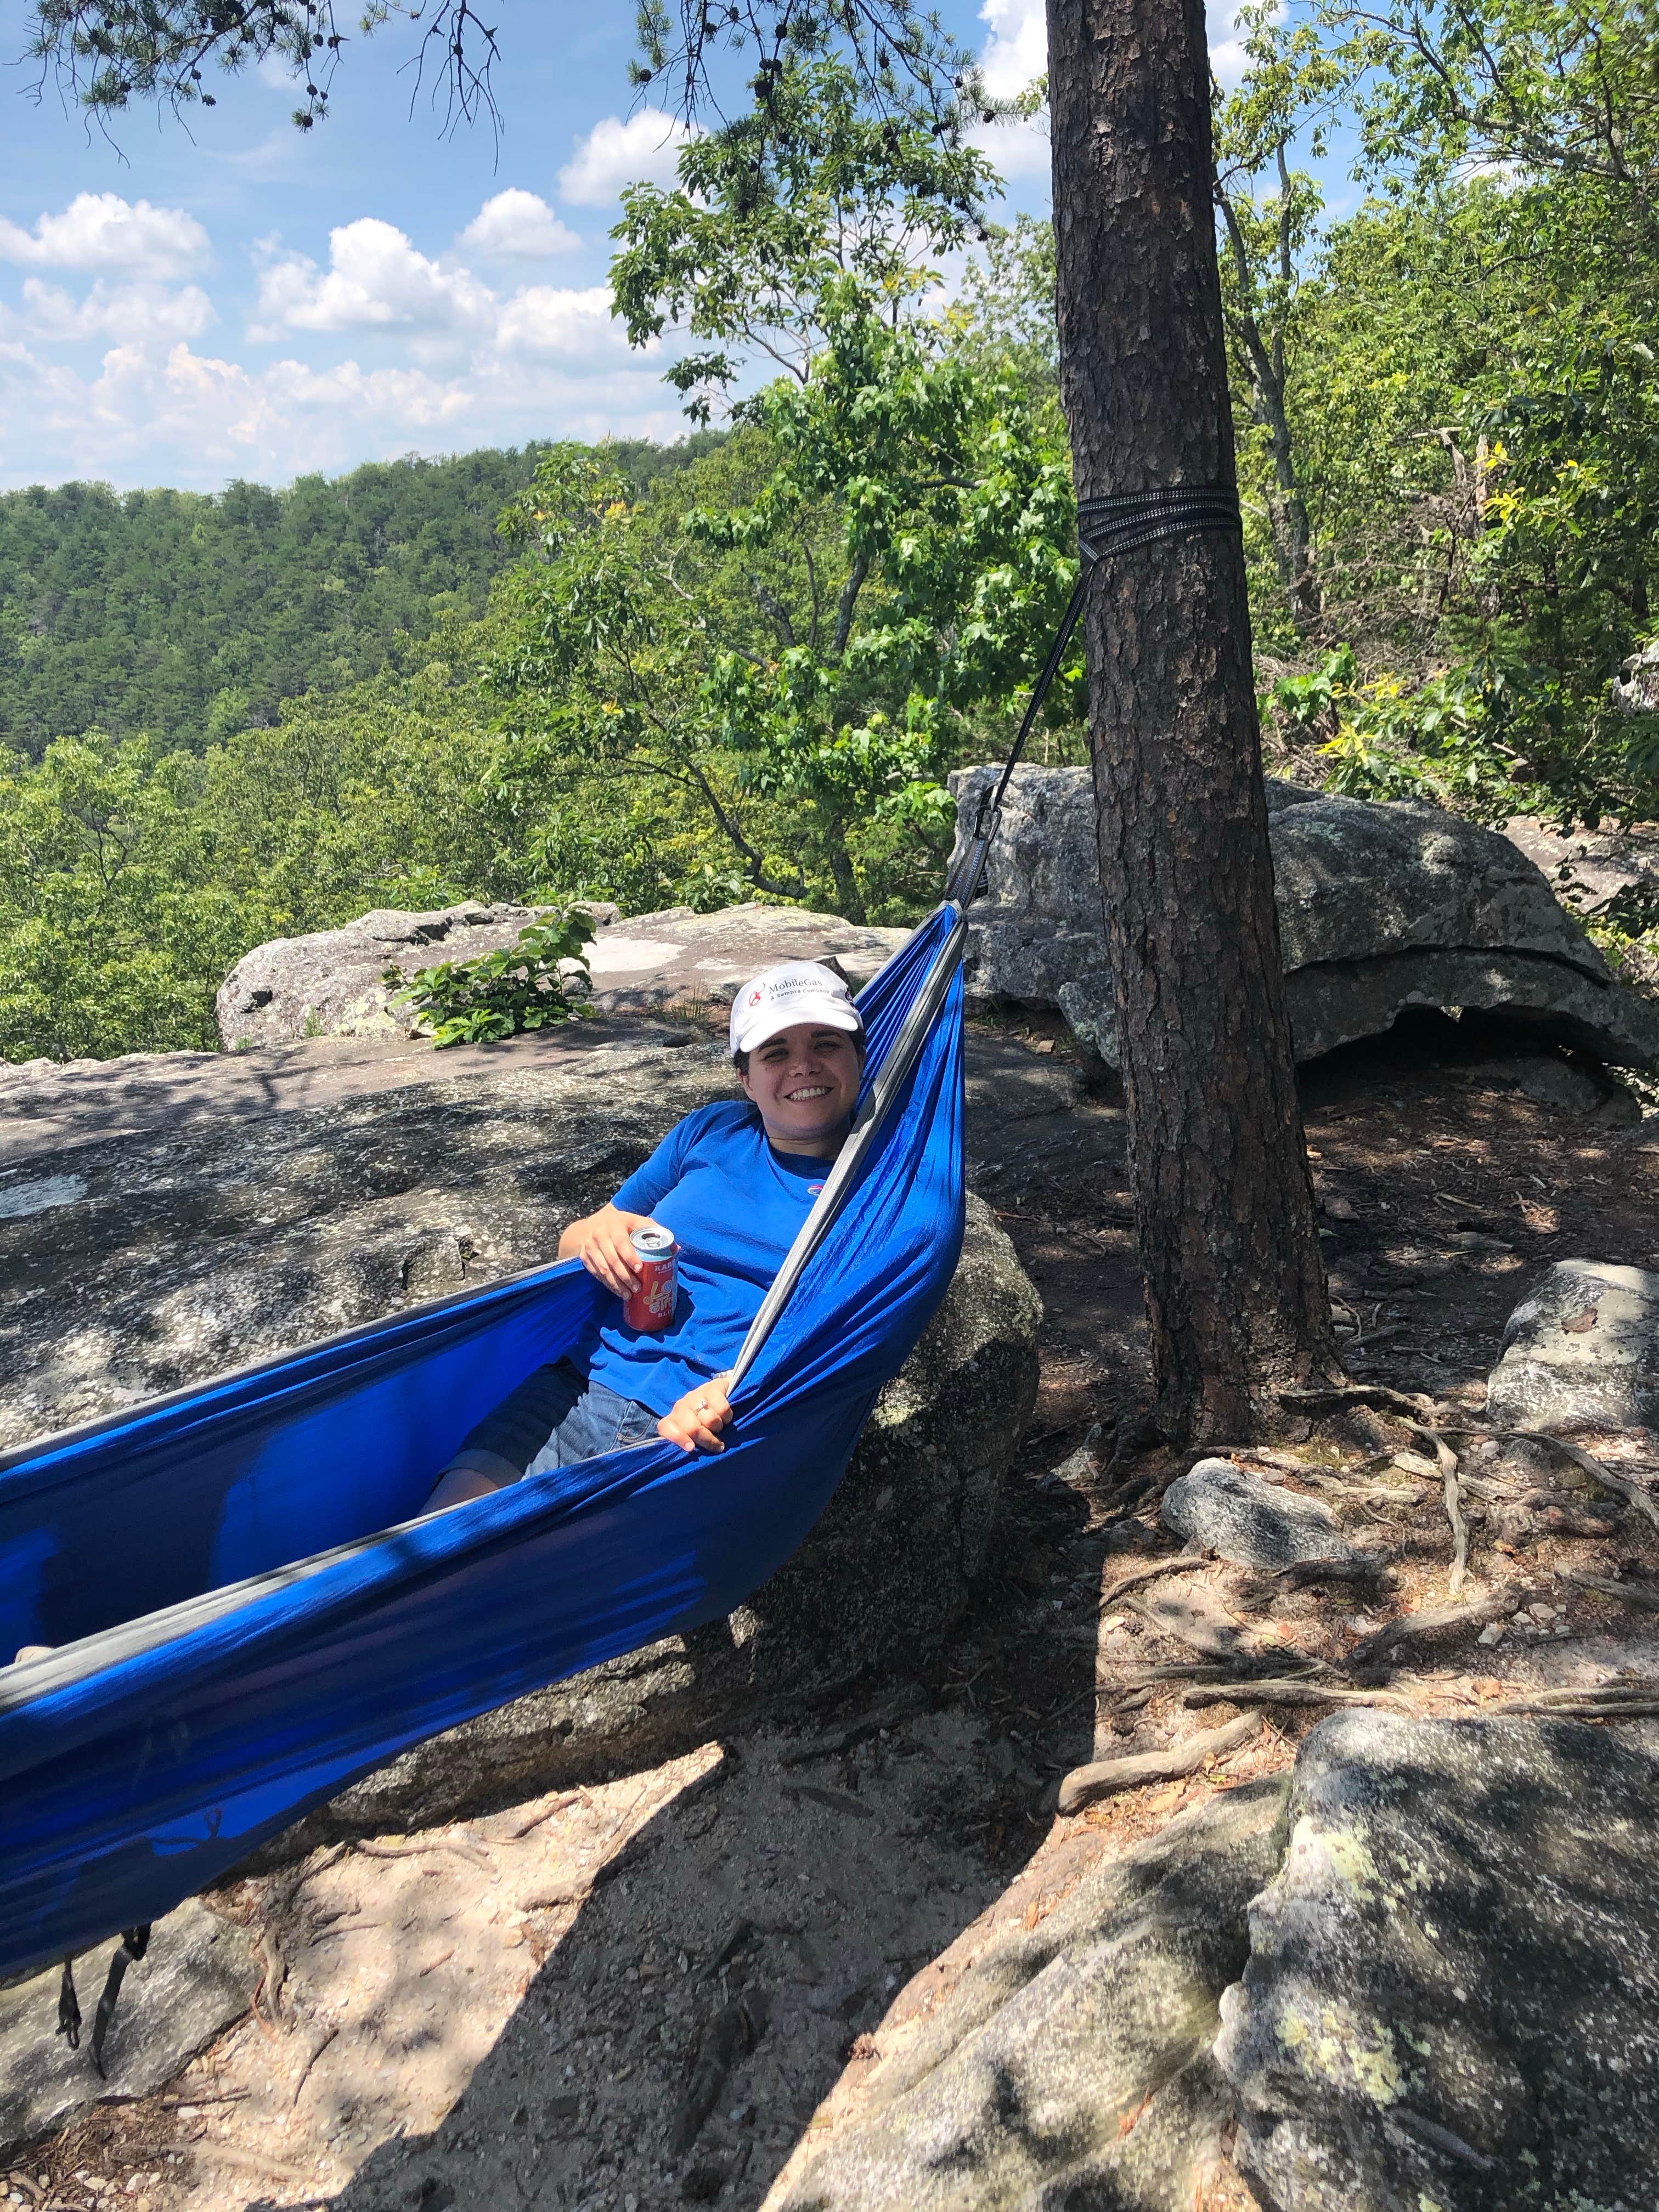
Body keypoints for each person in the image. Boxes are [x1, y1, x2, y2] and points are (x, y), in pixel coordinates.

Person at [422, 960, 866, 1512]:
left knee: (519, 1584)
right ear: (747, 1078)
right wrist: (598, 1234)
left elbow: (852, 1335)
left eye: (826, 1044)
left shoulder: (874, 1183)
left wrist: (741, 1388)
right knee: (430, 1548)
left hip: (684, 1430)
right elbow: (575, 1243)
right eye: (775, 1052)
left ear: (860, 1058)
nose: (803, 1066)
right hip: (576, 1383)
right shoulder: (712, 1130)